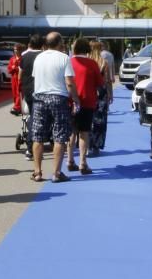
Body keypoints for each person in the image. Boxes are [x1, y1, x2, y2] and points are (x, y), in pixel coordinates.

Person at [29, 32, 80, 183]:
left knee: (37, 136)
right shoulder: (64, 58)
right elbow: (69, 83)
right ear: (59, 43)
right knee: (60, 135)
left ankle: (37, 172)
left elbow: (35, 78)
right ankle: (56, 173)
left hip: (39, 97)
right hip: (58, 98)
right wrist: (76, 100)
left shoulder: (39, 57)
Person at [67, 39, 102, 175]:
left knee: (71, 132)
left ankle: (69, 161)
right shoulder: (92, 63)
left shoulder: (69, 62)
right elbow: (99, 83)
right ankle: (83, 162)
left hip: (70, 101)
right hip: (88, 101)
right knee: (84, 132)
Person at [19, 34, 43, 160]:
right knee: (37, 118)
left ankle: (31, 146)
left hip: (27, 89)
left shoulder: (24, 56)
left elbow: (20, 74)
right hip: (41, 90)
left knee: (32, 116)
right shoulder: (43, 56)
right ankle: (31, 146)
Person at [90, 40, 114, 155]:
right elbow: (108, 81)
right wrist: (110, 94)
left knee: (89, 119)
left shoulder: (88, 62)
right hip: (101, 92)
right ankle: (97, 145)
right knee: (100, 120)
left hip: (89, 91)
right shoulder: (103, 62)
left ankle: (87, 143)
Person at [8, 43, 24, 116]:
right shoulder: (12, 59)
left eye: (17, 49)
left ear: (20, 50)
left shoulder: (23, 58)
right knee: (14, 93)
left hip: (20, 78)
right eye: (14, 49)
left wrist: (16, 68)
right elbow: (9, 70)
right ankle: (18, 108)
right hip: (13, 78)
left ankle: (16, 107)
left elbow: (23, 69)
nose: (15, 51)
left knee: (19, 93)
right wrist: (13, 68)